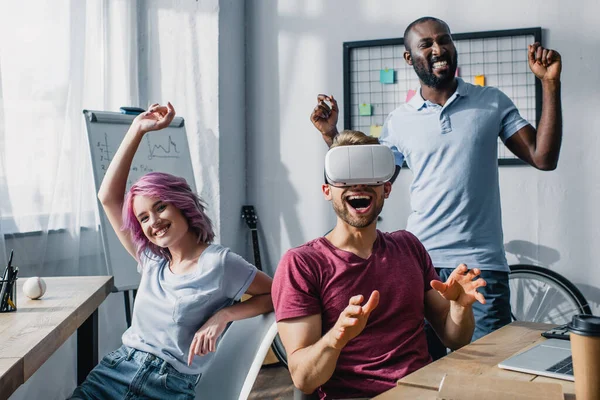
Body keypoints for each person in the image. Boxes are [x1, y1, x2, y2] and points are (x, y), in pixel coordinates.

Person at [310, 17, 562, 341]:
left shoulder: (492, 102)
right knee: (423, 367)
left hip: (480, 266)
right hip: (419, 263)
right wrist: (331, 135)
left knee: (487, 372)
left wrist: (550, 85)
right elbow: (367, 178)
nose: (438, 48)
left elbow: (543, 157)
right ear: (409, 57)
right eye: (426, 44)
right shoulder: (399, 121)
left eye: (444, 40)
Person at [70, 103, 273, 400]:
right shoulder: (151, 260)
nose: (154, 222)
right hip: (115, 372)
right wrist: (137, 129)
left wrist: (225, 315)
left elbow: (279, 293)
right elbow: (107, 196)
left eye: (160, 207)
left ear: (180, 204)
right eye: (143, 218)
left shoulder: (220, 262)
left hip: (167, 387)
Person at [272, 130, 487, 399]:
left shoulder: (409, 246)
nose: (358, 186)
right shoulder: (303, 264)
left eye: (369, 176)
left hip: (427, 391)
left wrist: (459, 307)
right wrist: (336, 338)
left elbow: (456, 339)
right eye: (347, 178)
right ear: (327, 191)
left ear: (386, 188)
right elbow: (304, 379)